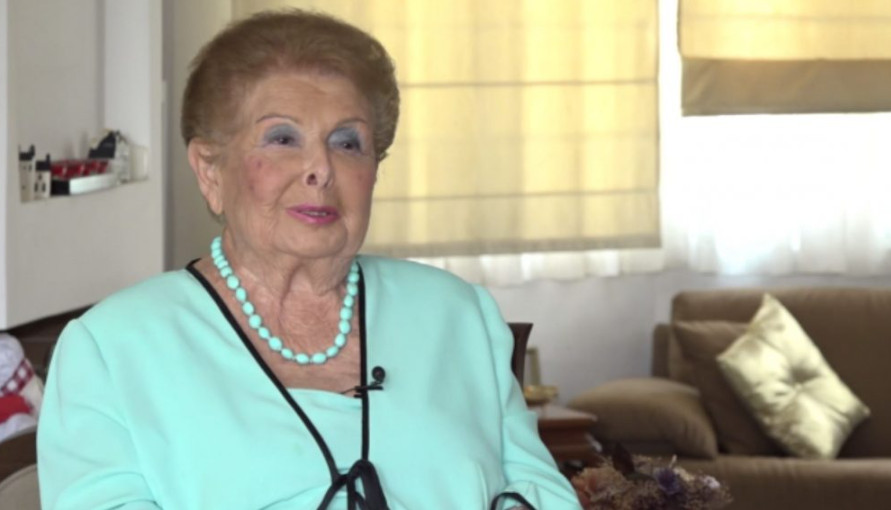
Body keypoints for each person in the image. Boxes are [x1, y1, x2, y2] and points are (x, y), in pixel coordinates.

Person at [37, 9, 581, 510]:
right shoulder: (111, 349)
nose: (320, 168)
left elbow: (541, 492)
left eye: (347, 143)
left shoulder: (459, 315)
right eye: (282, 138)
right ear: (209, 169)